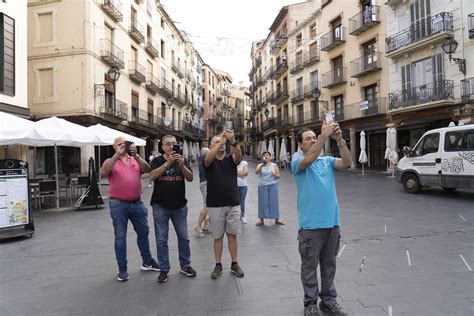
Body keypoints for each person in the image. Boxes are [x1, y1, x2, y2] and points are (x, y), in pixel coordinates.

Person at [291, 123, 351, 316]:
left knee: (329, 265)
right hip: (310, 226)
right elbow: (308, 160)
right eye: (308, 138)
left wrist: (340, 140)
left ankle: (328, 301)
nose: (313, 140)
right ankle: (310, 304)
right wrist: (324, 136)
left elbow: (347, 163)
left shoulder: (327, 161)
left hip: (332, 223)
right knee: (309, 267)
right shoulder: (297, 162)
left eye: (314, 137)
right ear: (300, 145)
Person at [99, 137, 160, 282]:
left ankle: (147, 262)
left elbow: (147, 170)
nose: (122, 146)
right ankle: (122, 269)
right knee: (120, 237)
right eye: (119, 144)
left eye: (124, 144)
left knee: (144, 232)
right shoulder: (110, 161)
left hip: (137, 203)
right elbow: (103, 172)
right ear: (114, 146)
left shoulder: (134, 160)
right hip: (118, 204)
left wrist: (137, 155)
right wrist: (116, 155)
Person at [149, 135, 195, 283]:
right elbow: (152, 176)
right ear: (162, 147)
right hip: (160, 206)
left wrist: (181, 165)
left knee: (184, 238)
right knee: (162, 240)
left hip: (180, 206)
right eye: (168, 144)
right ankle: (164, 269)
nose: (171, 146)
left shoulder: (181, 160)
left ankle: (185, 265)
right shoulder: (157, 160)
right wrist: (168, 163)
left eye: (173, 144)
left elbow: (190, 178)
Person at [204, 130, 244, 279]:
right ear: (211, 146)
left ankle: (234, 264)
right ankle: (218, 265)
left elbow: (238, 157)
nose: (221, 144)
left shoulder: (230, 158)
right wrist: (221, 141)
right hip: (215, 204)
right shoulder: (208, 160)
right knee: (218, 236)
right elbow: (208, 159)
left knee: (232, 235)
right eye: (216, 142)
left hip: (233, 202)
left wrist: (233, 141)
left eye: (222, 142)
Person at [255, 151, 284, 226]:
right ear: (263, 157)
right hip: (263, 185)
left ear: (270, 157)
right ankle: (261, 219)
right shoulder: (260, 165)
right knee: (263, 202)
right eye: (264, 155)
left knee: (274, 201)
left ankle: (277, 219)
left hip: (273, 184)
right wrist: (262, 164)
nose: (266, 156)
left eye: (267, 155)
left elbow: (278, 176)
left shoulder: (274, 165)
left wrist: (274, 174)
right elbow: (256, 172)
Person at [194, 147, 210, 237]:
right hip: (205, 183)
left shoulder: (201, 160)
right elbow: (204, 172)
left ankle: (205, 225)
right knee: (206, 206)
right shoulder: (203, 159)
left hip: (206, 183)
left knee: (208, 205)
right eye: (208, 153)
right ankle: (198, 227)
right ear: (204, 154)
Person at [237, 159, 249, 224]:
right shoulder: (232, 162)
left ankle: (242, 216)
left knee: (242, 201)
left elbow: (246, 172)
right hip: (233, 185)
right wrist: (241, 173)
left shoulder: (244, 162)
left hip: (243, 185)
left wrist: (237, 174)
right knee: (234, 202)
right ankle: (235, 217)